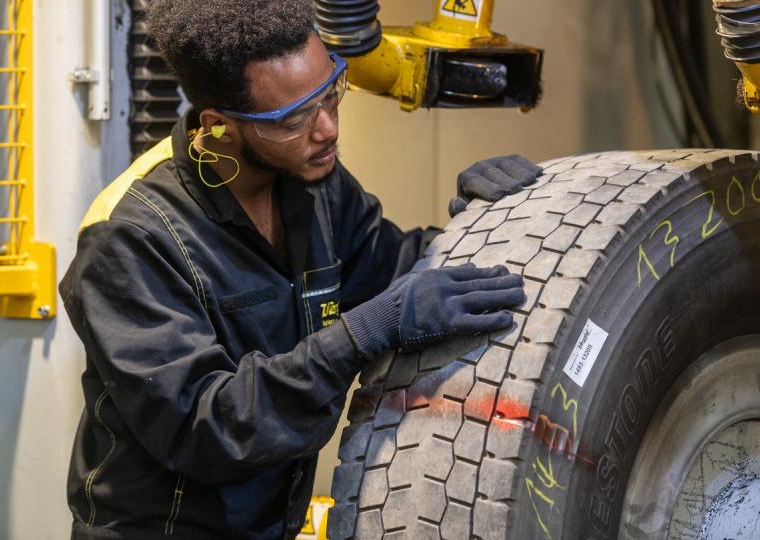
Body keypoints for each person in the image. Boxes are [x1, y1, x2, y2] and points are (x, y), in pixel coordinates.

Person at [59, 0, 543, 537]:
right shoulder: (131, 238)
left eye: (331, 94)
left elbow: (396, 270)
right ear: (218, 127)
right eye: (294, 120)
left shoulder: (315, 184)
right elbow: (208, 427)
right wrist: (363, 332)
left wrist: (485, 220)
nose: (328, 129)